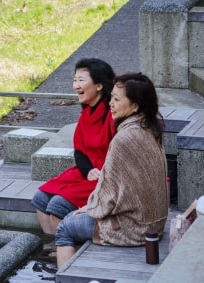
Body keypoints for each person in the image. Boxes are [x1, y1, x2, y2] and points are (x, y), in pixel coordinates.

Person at [55, 72, 168, 268]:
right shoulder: (149, 127)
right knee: (70, 210)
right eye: (111, 98)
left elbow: (108, 195)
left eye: (116, 99)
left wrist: (88, 209)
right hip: (154, 223)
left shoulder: (124, 138)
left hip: (132, 229)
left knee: (65, 227)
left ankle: (63, 276)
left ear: (135, 106)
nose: (110, 104)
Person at [31, 58, 116, 235]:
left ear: (99, 85)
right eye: (75, 80)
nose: (76, 85)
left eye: (81, 80)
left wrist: (100, 172)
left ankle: (63, 249)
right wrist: (88, 170)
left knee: (58, 205)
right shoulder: (86, 112)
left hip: (107, 177)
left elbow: (120, 153)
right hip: (87, 173)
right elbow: (79, 151)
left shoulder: (112, 114)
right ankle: (53, 243)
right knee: (40, 198)